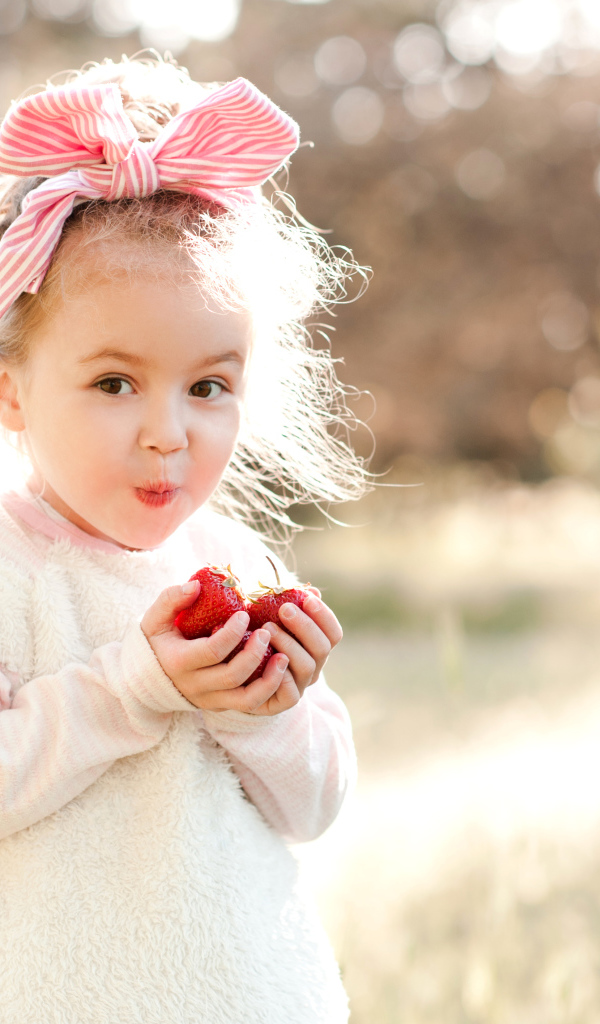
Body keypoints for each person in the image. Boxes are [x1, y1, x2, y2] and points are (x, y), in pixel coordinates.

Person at [0, 54, 369, 1024]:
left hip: (257, 992)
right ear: (11, 388)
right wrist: (134, 686)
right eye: (115, 382)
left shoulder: (238, 565)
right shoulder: (11, 568)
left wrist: (267, 710)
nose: (169, 431)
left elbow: (316, 803)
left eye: (208, 385)